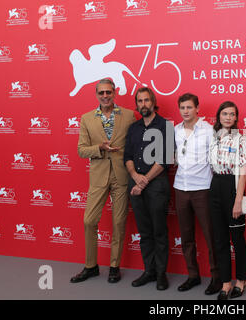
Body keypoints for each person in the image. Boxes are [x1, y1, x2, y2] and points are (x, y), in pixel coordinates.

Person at [71, 78, 136, 284]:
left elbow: (134, 145)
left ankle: (114, 267)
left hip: (121, 175)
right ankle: (91, 266)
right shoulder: (87, 118)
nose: (106, 96)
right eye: (102, 93)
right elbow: (82, 149)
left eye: (109, 92)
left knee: (118, 222)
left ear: (114, 92)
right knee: (89, 221)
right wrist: (99, 147)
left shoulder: (128, 115)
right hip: (99, 176)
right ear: (96, 94)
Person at [124, 87, 173, 290]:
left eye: (147, 100)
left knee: (159, 231)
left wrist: (143, 181)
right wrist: (136, 177)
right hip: (136, 185)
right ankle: (149, 271)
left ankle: (161, 274)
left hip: (157, 185)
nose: (143, 104)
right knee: (145, 232)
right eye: (140, 101)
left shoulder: (166, 126)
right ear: (137, 104)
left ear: (153, 102)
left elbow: (166, 158)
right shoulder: (133, 128)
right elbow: (127, 156)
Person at [173, 93, 222, 295]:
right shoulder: (174, 130)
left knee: (211, 236)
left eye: (189, 107)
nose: (185, 111)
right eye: (182, 107)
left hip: (202, 189)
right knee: (186, 237)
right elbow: (173, 156)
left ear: (197, 108)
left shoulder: (209, 131)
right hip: (180, 188)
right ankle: (193, 276)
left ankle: (217, 278)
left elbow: (217, 160)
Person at [208, 101, 246, 300]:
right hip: (215, 187)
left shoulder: (240, 139)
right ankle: (226, 282)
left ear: (236, 118)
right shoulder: (214, 137)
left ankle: (241, 280)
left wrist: (238, 200)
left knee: (237, 238)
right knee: (220, 240)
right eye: (224, 113)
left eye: (231, 114)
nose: (228, 117)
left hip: (233, 187)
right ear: (219, 116)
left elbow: (244, 172)